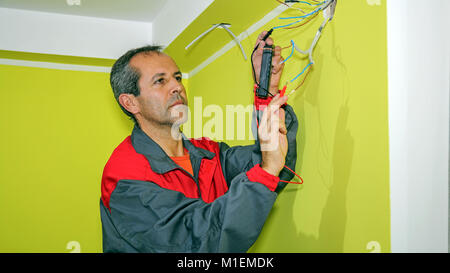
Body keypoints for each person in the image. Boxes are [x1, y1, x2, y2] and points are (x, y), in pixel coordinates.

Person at [100, 31, 299, 253]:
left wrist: (266, 90)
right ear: (130, 103)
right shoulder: (124, 177)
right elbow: (198, 241)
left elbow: (275, 166)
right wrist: (267, 170)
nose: (177, 87)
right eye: (160, 81)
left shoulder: (207, 152)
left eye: (177, 77)